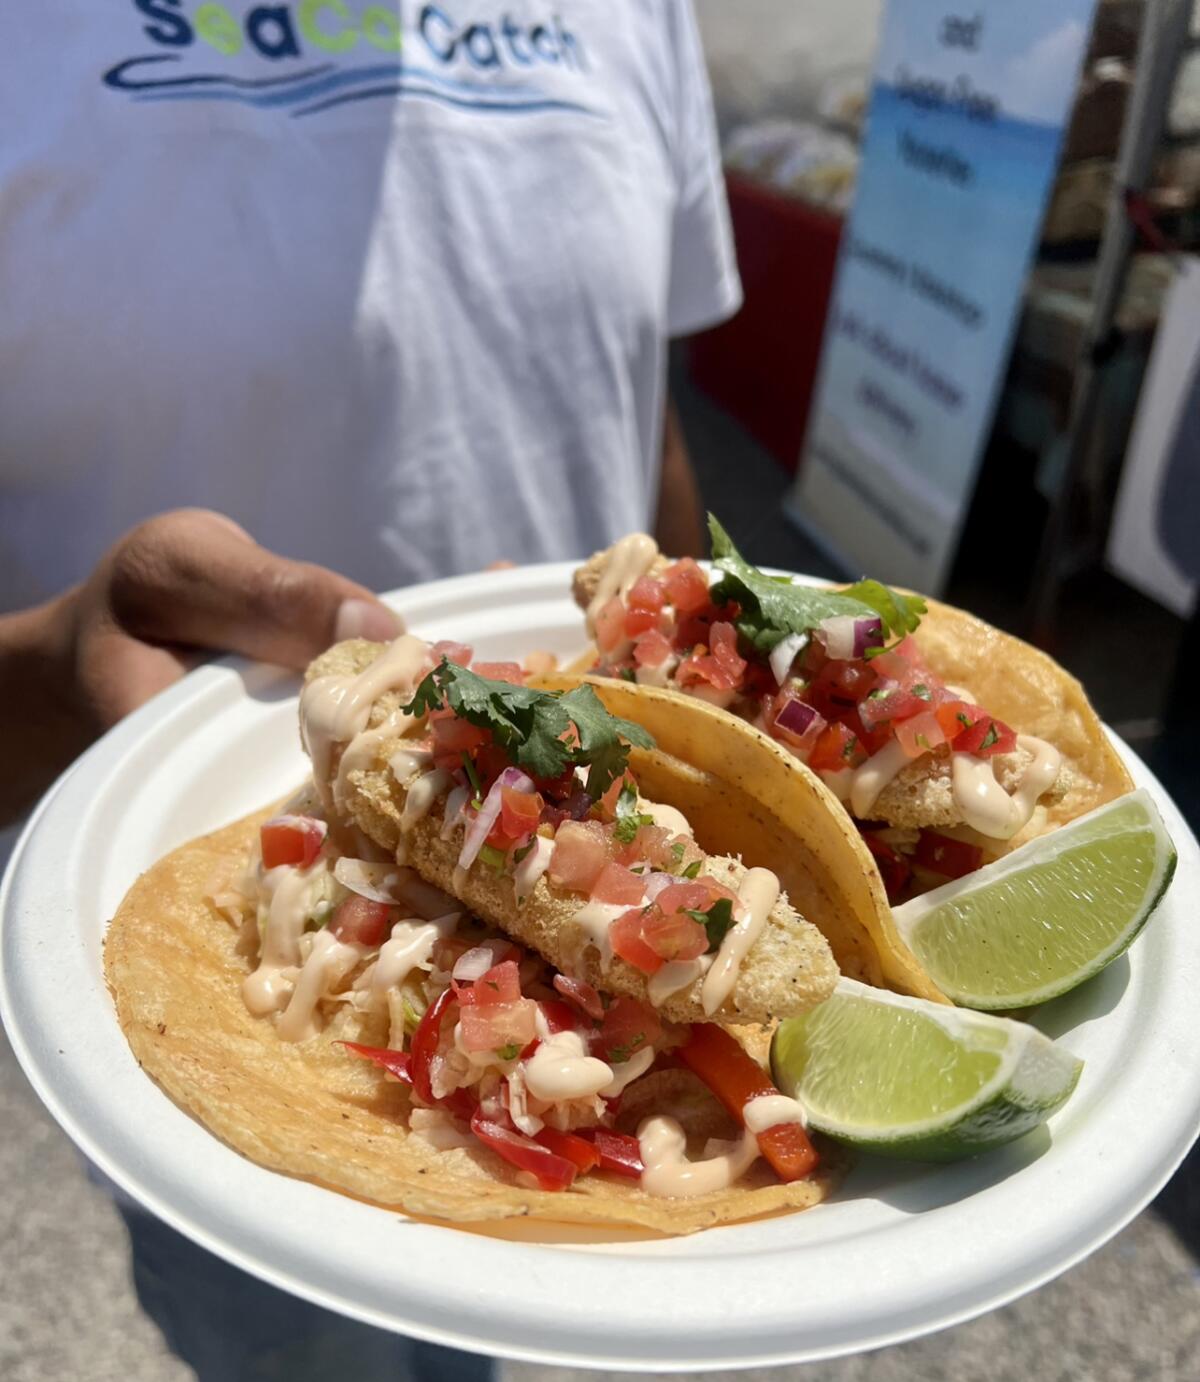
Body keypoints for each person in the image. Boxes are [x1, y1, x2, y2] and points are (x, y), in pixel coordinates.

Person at [0, 3, 741, 1376]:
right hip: (242, 1058)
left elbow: (638, 403)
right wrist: (48, 669)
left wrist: (693, 655)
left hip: (651, 1092)